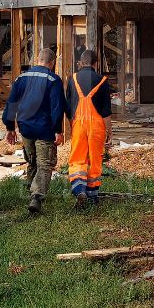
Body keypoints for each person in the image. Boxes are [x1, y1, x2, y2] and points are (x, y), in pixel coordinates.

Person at [2, 47, 65, 214]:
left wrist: (10, 127)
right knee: (45, 163)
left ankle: (31, 189)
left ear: (37, 59)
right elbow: (56, 108)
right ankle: (36, 196)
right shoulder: (53, 80)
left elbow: (11, 104)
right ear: (52, 62)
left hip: (26, 127)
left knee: (32, 160)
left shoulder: (21, 78)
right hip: (44, 128)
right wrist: (58, 130)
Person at [65, 49, 112, 208]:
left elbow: (68, 106)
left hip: (78, 124)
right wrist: (109, 132)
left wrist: (72, 124)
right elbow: (106, 112)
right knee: (95, 159)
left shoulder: (73, 79)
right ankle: (92, 197)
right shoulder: (102, 80)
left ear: (81, 62)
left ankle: (79, 190)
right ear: (95, 63)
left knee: (78, 158)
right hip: (97, 126)